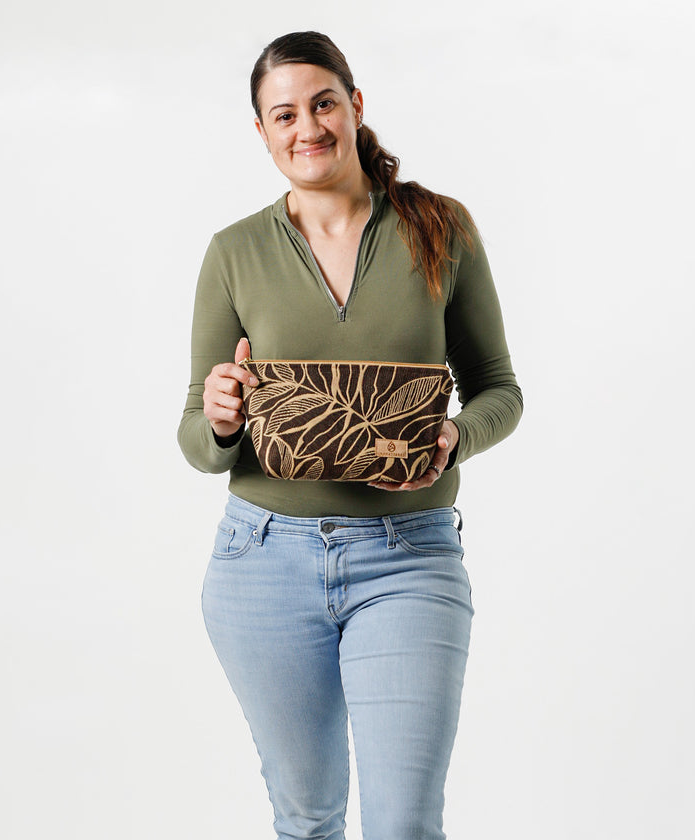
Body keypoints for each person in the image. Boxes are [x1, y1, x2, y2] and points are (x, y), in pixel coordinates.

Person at [178, 31, 522, 840]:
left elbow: (499, 390)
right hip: (262, 561)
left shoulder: (441, 229)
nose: (308, 128)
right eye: (284, 114)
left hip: (409, 558)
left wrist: (454, 438)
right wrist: (221, 418)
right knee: (306, 820)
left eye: (323, 103)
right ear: (261, 131)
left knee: (404, 823)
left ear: (356, 105)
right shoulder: (234, 252)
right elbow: (196, 437)